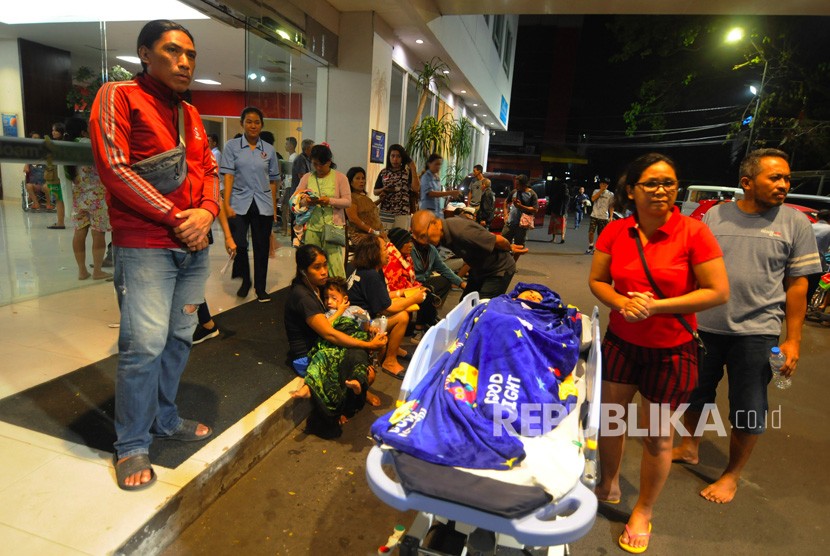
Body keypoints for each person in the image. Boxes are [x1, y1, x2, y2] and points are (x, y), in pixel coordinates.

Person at [89, 19, 219, 491]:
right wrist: (177, 217)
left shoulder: (191, 113)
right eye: (172, 51)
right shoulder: (117, 96)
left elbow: (207, 169)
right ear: (145, 53)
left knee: (179, 339)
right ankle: (131, 445)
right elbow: (114, 169)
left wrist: (206, 211)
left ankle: (165, 419)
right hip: (146, 246)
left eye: (191, 54)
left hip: (193, 246)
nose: (184, 61)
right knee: (143, 346)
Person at [588, 153, 729, 553]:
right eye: (651, 183)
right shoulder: (616, 232)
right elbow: (598, 280)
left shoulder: (694, 233)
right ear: (631, 190)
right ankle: (609, 483)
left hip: (673, 350)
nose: (661, 190)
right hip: (620, 344)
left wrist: (655, 306)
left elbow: (717, 291)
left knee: (656, 437)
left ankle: (644, 512)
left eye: (668, 182)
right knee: (612, 422)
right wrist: (620, 302)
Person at [673, 148, 822, 504]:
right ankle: (690, 446)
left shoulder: (795, 224)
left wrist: (794, 340)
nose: (784, 184)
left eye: (787, 178)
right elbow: (692, 267)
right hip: (705, 326)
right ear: (746, 183)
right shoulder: (715, 217)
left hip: (758, 332)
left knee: (748, 406)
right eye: (775, 177)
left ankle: (731, 475)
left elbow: (797, 285)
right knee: (694, 393)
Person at [285, 245, 387, 437]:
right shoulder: (303, 296)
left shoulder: (317, 287)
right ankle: (338, 406)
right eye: (317, 267)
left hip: (324, 343)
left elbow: (344, 306)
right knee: (355, 356)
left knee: (360, 358)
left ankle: (359, 388)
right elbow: (330, 334)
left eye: (325, 265)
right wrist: (368, 344)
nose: (324, 271)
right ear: (303, 270)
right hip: (309, 355)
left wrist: (365, 325)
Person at [220, 106, 281, 302]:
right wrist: (227, 203)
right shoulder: (232, 146)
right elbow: (228, 176)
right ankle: (245, 279)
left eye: (256, 122)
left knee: (261, 246)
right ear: (242, 124)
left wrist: (273, 208)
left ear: (261, 125)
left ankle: (260, 287)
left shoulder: (269, 150)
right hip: (239, 201)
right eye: (249, 121)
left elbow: (273, 181)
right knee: (239, 243)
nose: (253, 125)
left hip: (262, 203)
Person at [347, 235, 426, 379]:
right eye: (384, 249)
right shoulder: (370, 274)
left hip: (365, 317)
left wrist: (402, 293)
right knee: (402, 316)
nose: (389, 252)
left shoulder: (371, 270)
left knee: (403, 307)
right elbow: (388, 307)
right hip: (358, 324)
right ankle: (390, 361)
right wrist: (414, 298)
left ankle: (394, 349)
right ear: (374, 253)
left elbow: (383, 296)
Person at [411, 209, 519, 300]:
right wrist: (461, 282)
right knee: (465, 304)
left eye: (423, 235)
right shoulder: (441, 234)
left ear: (434, 223)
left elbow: (499, 240)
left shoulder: (461, 231)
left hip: (499, 270)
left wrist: (510, 249)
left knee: (481, 310)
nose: (423, 241)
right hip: (480, 269)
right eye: (418, 238)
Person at [294, 144, 351, 278]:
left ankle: (337, 292)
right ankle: (313, 293)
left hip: (333, 227)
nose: (318, 168)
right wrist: (306, 201)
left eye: (321, 165)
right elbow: (296, 199)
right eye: (315, 164)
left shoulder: (340, 178)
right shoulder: (307, 177)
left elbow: (348, 201)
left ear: (329, 162)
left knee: (334, 264)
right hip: (312, 227)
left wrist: (330, 201)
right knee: (311, 263)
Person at [66, 119, 112, 281]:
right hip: (97, 196)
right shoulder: (90, 144)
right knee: (98, 232)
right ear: (82, 131)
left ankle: (82, 271)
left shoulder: (67, 146)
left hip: (79, 196)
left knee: (79, 231)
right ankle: (97, 271)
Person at [411, 227, 467, 340]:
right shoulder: (410, 248)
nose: (427, 239)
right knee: (427, 291)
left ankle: (430, 314)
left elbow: (443, 268)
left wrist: (461, 283)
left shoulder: (431, 249)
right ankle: (419, 328)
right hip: (411, 282)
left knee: (444, 281)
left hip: (424, 281)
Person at [374, 144, 420, 230]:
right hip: (385, 212)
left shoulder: (407, 172)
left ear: (402, 158)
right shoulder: (384, 172)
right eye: (392, 156)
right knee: (385, 239)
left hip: (402, 213)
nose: (395, 159)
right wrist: (384, 189)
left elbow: (416, 188)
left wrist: (413, 167)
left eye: (398, 156)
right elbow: (375, 191)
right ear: (389, 157)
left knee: (401, 239)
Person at [345, 166, 383, 245]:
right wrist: (372, 231)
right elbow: (353, 219)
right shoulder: (351, 197)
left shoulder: (364, 197)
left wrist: (381, 200)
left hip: (373, 233)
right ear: (351, 182)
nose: (362, 181)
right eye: (358, 178)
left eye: (363, 178)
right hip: (360, 235)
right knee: (382, 244)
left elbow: (368, 208)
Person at [501, 174, 538, 248]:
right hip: (510, 223)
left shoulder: (532, 194)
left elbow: (535, 209)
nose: (516, 186)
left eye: (517, 184)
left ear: (524, 184)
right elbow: (506, 202)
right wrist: (505, 215)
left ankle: (513, 260)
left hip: (522, 225)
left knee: (519, 246)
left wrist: (521, 206)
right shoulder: (514, 191)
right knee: (503, 243)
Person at [383, 227, 421, 293]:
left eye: (411, 242)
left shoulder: (407, 258)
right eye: (407, 242)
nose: (411, 245)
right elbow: (394, 288)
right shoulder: (391, 262)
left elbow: (411, 281)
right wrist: (417, 289)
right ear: (399, 244)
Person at [24, 133, 53, 212]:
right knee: (28, 186)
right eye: (34, 138)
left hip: (44, 182)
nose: (36, 139)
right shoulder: (29, 154)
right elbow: (25, 169)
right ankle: (36, 203)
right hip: (34, 183)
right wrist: (26, 165)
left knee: (46, 186)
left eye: (37, 138)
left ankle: (48, 204)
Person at [45, 122, 67, 229]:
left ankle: (60, 222)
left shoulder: (57, 145)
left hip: (56, 176)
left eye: (56, 130)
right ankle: (60, 221)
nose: (53, 132)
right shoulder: (62, 143)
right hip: (58, 175)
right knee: (60, 200)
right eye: (53, 130)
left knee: (59, 200)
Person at [585, 178, 614, 254]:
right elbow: (593, 199)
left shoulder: (610, 194)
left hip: (604, 216)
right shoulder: (596, 191)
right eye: (601, 184)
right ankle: (591, 245)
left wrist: (611, 216)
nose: (603, 185)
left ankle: (596, 247)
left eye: (605, 184)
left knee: (600, 234)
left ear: (607, 185)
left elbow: (611, 206)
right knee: (591, 232)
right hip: (594, 215)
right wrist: (601, 191)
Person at [807, 209, 830, 300]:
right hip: (817, 264)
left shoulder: (808, 226)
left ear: (817, 217)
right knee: (810, 291)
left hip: (798, 262)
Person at [547, 178, 570, 243]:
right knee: (563, 225)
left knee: (554, 225)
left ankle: (554, 239)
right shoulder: (567, 196)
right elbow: (567, 205)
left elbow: (552, 202)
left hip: (555, 212)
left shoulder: (557, 194)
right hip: (563, 213)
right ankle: (562, 238)